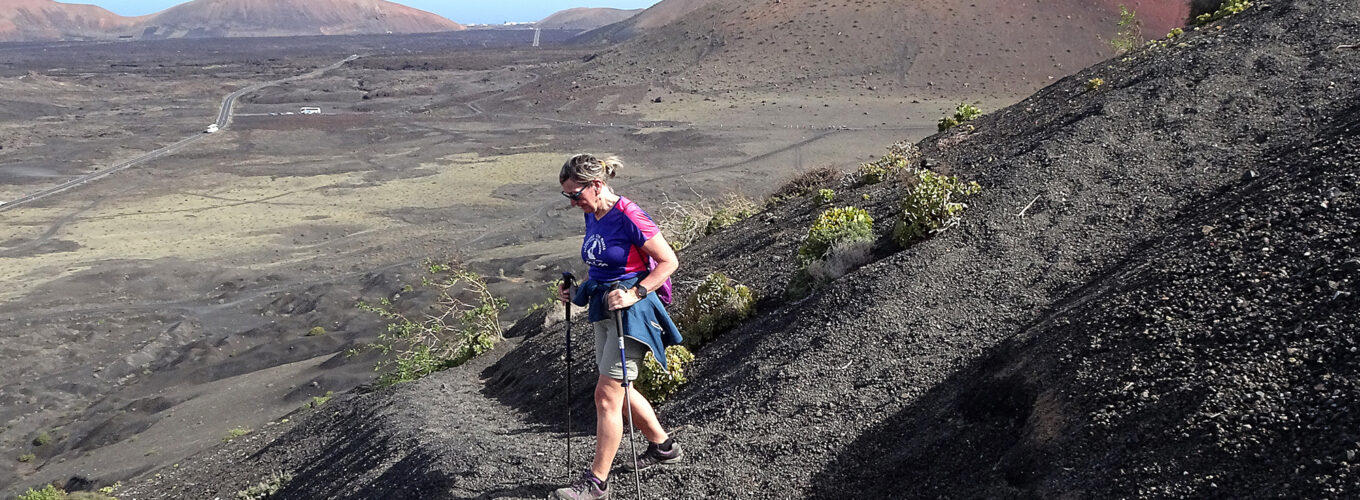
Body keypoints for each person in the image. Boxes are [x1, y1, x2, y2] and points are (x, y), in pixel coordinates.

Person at [552, 153, 684, 500]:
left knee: (606, 396)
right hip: (603, 309)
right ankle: (663, 446)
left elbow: (669, 261)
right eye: (567, 195)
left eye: (575, 193)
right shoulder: (593, 213)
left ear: (596, 185)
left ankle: (597, 484)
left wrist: (635, 292)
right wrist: (576, 292)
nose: (571, 202)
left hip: (633, 315)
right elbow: (601, 265)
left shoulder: (629, 214)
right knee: (619, 388)